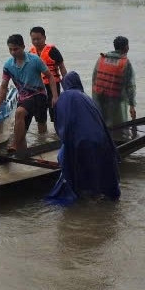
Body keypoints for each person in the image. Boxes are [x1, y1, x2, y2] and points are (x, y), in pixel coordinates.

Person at [45, 71, 120, 205]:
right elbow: (101, 123)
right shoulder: (86, 98)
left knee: (63, 157)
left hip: (80, 142)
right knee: (98, 167)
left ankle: (79, 191)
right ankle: (100, 194)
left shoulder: (63, 98)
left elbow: (61, 126)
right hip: (102, 141)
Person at [0, 33, 55, 153]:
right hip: (23, 98)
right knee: (22, 126)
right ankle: (22, 152)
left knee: (39, 124)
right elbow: (4, 87)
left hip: (39, 96)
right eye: (10, 49)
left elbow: (50, 77)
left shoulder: (35, 60)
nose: (13, 52)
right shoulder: (8, 65)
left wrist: (55, 97)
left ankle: (22, 144)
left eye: (16, 49)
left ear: (23, 47)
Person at [90, 35, 136, 130]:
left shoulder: (101, 59)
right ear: (126, 48)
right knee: (118, 130)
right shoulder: (125, 63)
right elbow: (130, 86)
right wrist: (132, 106)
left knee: (101, 126)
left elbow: (94, 79)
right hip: (115, 102)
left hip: (99, 99)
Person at [28, 26, 67, 133]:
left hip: (52, 86)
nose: (36, 41)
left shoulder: (53, 50)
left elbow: (62, 67)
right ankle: (42, 139)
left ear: (44, 38)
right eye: (33, 39)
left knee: (56, 114)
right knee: (40, 117)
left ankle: (58, 137)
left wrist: (67, 85)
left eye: (38, 39)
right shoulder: (30, 53)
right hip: (38, 89)